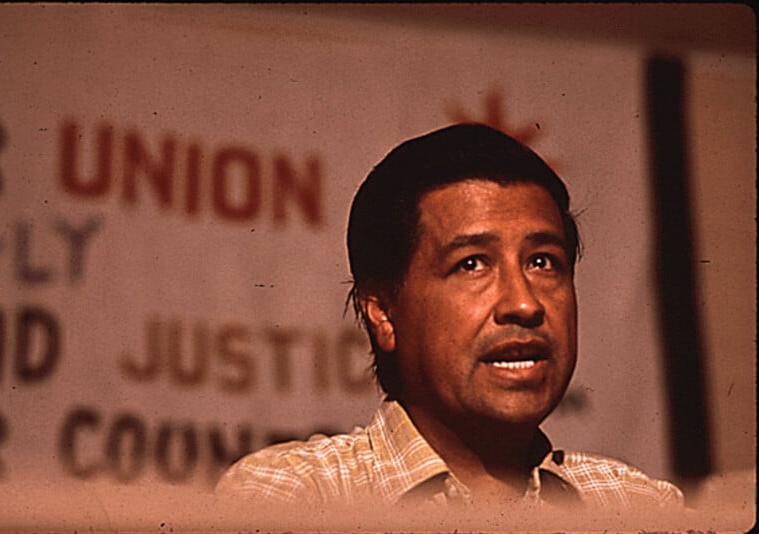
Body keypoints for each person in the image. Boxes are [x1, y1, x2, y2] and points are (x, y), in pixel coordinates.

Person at [215, 123, 683, 520]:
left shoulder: (637, 506)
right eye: (472, 264)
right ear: (382, 311)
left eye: (543, 261)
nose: (524, 304)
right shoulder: (297, 497)